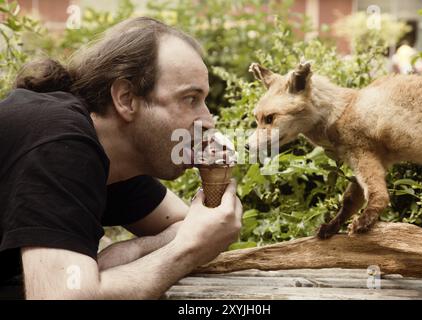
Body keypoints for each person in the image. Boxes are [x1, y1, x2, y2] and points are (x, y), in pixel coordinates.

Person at [0, 17, 242, 299]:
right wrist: (187, 250)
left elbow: (185, 224)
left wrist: (134, 248)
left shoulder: (114, 157)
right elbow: (61, 296)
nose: (208, 121)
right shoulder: (62, 142)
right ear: (126, 98)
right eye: (190, 99)